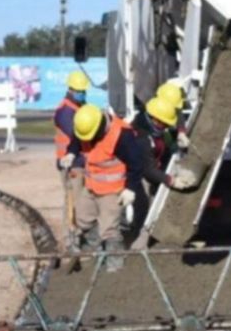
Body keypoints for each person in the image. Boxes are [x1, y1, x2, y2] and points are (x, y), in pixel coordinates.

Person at [66, 104, 197, 270]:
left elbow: (136, 165)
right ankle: (94, 251)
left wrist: (130, 188)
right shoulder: (87, 125)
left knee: (109, 228)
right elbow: (78, 139)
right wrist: (71, 152)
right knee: (83, 219)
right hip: (92, 185)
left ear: (100, 126)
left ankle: (114, 266)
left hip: (113, 189)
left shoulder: (122, 135)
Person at [55, 71, 89, 253]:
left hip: (79, 162)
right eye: (79, 91)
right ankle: (71, 241)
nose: (82, 94)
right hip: (70, 164)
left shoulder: (78, 108)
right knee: (74, 202)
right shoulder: (65, 112)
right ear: (70, 90)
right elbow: (77, 136)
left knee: (80, 201)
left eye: (83, 91)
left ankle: (76, 238)